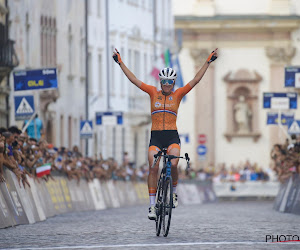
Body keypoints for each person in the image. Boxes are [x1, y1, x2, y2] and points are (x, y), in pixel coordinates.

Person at [112, 48, 218, 220]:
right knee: (153, 168)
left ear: (174, 82)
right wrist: (120, 62)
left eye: (170, 81)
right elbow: (134, 80)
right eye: (164, 81)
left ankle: (174, 193)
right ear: (160, 82)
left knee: (174, 164)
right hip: (155, 136)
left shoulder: (178, 94)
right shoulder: (153, 92)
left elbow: (196, 80)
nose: (167, 84)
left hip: (171, 136)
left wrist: (207, 61)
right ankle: (152, 206)